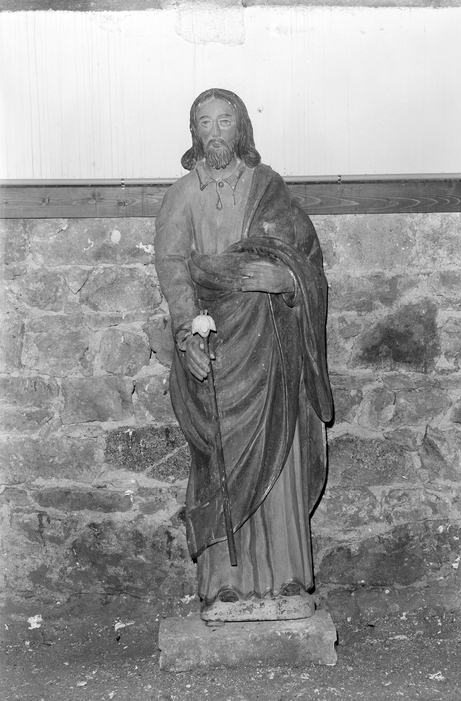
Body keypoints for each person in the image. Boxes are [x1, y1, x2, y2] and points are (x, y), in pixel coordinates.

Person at [154, 88, 332, 612]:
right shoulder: (182, 195)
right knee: (222, 458)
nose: (215, 131)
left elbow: (307, 260)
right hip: (216, 342)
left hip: (272, 342)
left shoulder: (268, 188)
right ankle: (223, 583)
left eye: (225, 121)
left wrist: (287, 281)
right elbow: (174, 268)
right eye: (205, 122)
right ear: (194, 131)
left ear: (241, 129)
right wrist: (187, 334)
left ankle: (288, 577)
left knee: (281, 453)